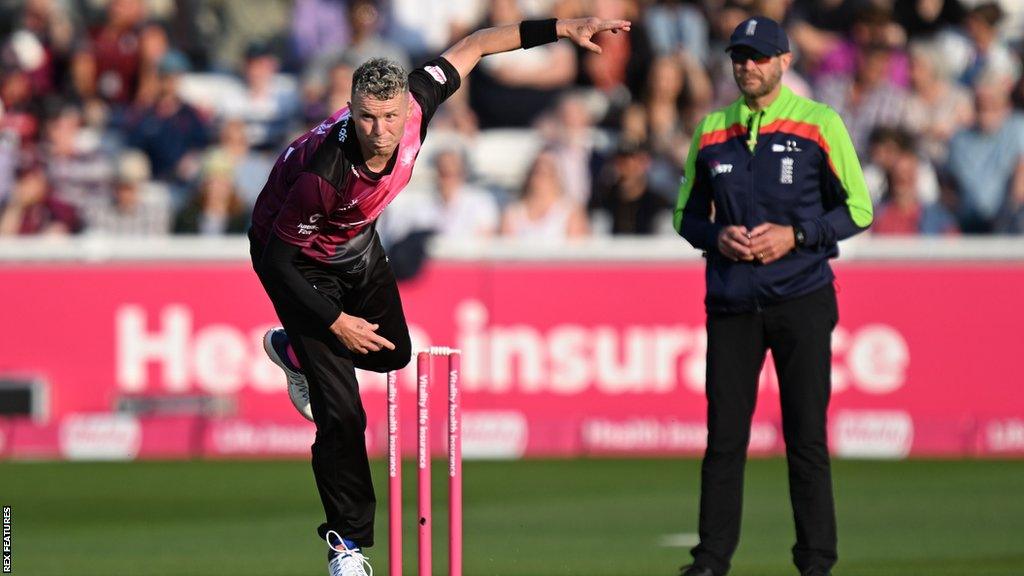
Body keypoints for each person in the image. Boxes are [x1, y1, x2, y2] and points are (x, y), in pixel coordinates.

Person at [249, 15, 630, 576]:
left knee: (393, 354)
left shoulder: (418, 104)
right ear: (350, 111)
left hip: (353, 239)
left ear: (407, 107)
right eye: (365, 117)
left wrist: (561, 27)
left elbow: (476, 44)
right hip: (295, 257)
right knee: (343, 416)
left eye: (388, 117)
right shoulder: (324, 172)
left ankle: (293, 349)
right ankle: (346, 547)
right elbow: (278, 263)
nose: (379, 130)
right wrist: (332, 323)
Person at [674, 16, 872, 576]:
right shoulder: (712, 129)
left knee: (806, 437)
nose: (748, 66)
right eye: (740, 56)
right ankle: (710, 560)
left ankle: (815, 562)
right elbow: (683, 215)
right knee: (724, 440)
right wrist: (719, 237)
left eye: (759, 56)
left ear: (785, 62)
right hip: (733, 302)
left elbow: (857, 208)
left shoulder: (819, 123)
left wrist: (797, 234)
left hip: (801, 298)